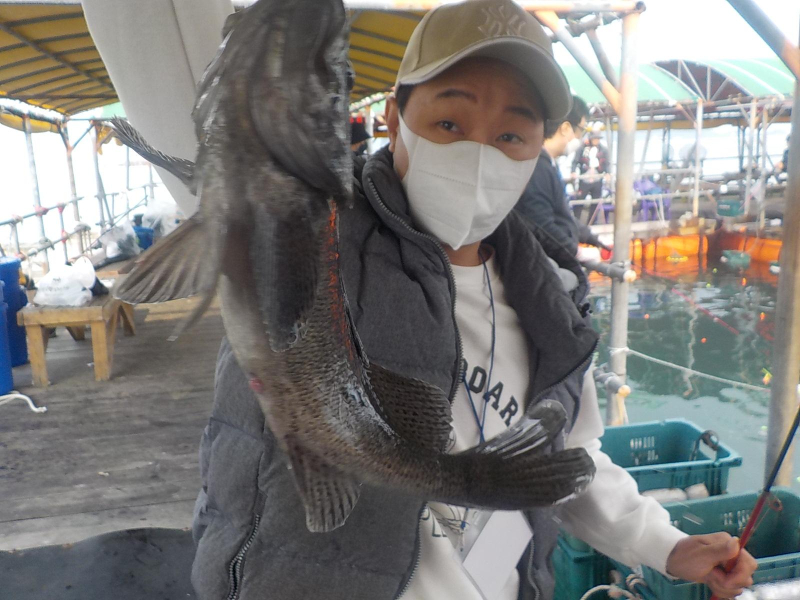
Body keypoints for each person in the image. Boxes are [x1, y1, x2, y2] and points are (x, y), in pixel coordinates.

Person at [191, 1, 757, 599]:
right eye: (449, 124)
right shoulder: (306, 233)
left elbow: (565, 454)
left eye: (511, 134)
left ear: (538, 147)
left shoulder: (552, 296)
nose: (479, 153)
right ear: (394, 119)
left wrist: (665, 545)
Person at [515, 94, 609, 257]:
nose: (580, 138)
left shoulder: (548, 163)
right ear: (565, 128)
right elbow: (541, 225)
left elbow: (561, 215)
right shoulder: (538, 168)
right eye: (581, 130)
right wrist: (577, 252)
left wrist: (592, 238)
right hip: (545, 259)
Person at [572, 124, 609, 224]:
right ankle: (576, 222)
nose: (596, 140)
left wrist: (608, 173)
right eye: (594, 138)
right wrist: (573, 171)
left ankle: (592, 223)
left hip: (597, 179)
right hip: (584, 179)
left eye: (597, 138)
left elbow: (607, 163)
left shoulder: (603, 149)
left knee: (595, 203)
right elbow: (575, 161)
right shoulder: (582, 148)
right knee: (579, 201)